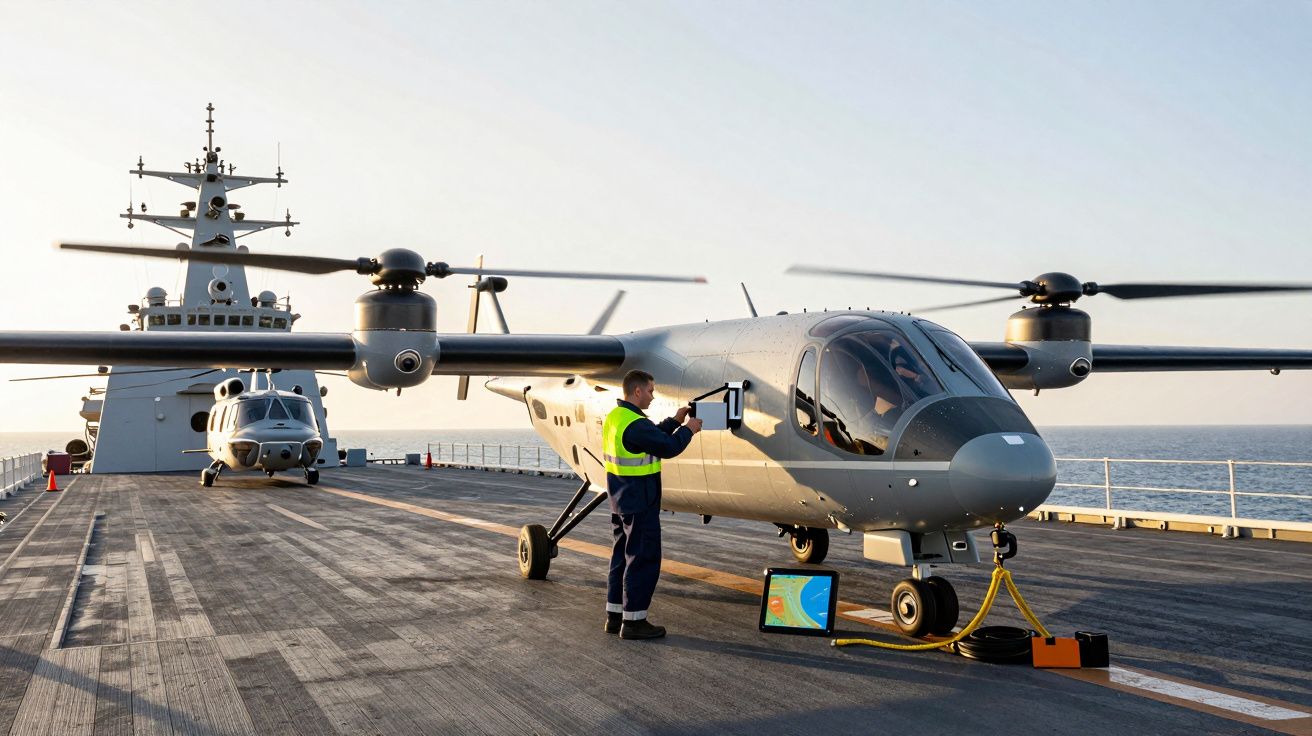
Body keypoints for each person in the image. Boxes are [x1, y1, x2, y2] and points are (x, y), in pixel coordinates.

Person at [603, 369, 702, 640]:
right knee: (643, 559)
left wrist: (674, 421)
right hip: (640, 501)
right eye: (650, 391)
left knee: (621, 558)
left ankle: (615, 617)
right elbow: (668, 447)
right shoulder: (635, 424)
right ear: (637, 391)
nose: (652, 396)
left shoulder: (618, 418)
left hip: (620, 500)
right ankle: (634, 621)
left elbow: (650, 438)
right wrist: (688, 430)